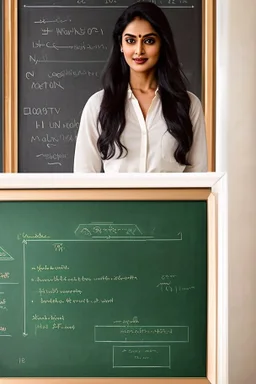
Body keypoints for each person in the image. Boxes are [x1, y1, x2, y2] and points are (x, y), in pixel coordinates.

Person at [74, 2, 207, 173]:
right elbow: (84, 178)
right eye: (130, 40)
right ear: (121, 45)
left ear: (162, 44)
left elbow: (198, 179)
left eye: (149, 41)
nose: (139, 50)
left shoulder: (188, 105)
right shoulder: (98, 105)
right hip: (115, 201)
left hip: (172, 201)